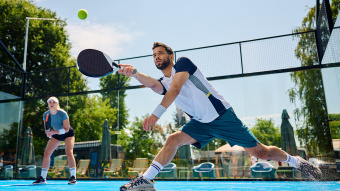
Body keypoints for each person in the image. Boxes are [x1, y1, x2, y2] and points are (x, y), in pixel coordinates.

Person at [118, 42, 322, 190]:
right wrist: (134, 74)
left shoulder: (183, 64)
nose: (157, 57)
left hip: (222, 116)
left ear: (171, 56)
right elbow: (154, 84)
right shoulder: (164, 80)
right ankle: (146, 180)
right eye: (154, 55)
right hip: (200, 124)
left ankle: (297, 162)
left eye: (160, 53)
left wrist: (155, 115)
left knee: (261, 153)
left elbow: (175, 90)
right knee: (173, 139)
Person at [33, 96, 77, 185]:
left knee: (69, 152)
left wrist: (53, 132)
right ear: (48, 104)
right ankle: (43, 178)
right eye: (50, 102)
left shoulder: (62, 113)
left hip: (68, 133)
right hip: (56, 134)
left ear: (57, 104)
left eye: (54, 102)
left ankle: (73, 178)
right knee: (46, 154)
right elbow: (47, 129)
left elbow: (67, 129)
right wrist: (48, 134)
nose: (52, 104)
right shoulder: (46, 114)